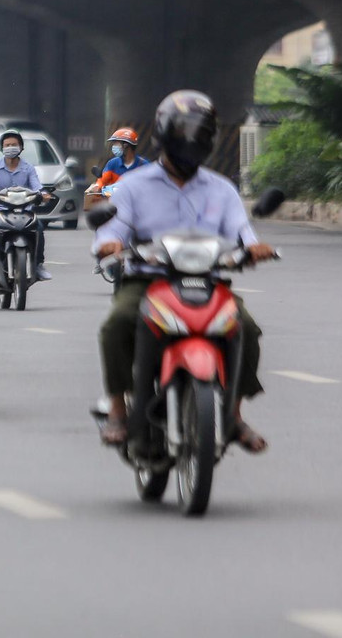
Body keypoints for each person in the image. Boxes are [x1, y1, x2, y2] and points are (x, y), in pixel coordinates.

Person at [93, 91, 272, 452]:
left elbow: (242, 233)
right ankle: (117, 408)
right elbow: (112, 229)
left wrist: (253, 248)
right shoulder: (133, 186)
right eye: (185, 131)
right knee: (116, 324)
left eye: (200, 132)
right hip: (147, 280)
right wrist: (109, 244)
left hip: (208, 280)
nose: (192, 140)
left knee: (246, 328)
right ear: (165, 134)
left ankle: (233, 415)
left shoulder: (222, 189)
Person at [0, 129, 53, 281]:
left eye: (14, 144)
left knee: (38, 227)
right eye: (7, 145)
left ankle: (38, 265)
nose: (11, 147)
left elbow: (37, 186)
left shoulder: (28, 168)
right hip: (0, 211)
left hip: (24, 211)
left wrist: (43, 194)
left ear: (21, 147)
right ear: (1, 148)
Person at [91, 127, 148, 192]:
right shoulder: (112, 163)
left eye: (116, 143)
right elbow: (102, 181)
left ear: (125, 145)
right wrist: (97, 186)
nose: (113, 147)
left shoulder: (144, 166)